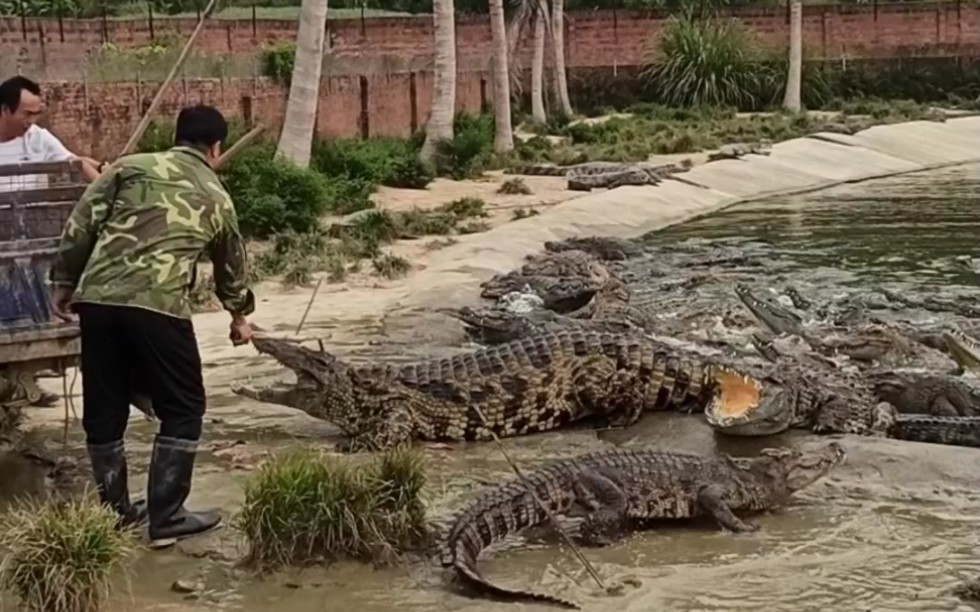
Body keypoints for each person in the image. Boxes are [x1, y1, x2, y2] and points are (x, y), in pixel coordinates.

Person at [47, 104, 255, 548]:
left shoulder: (130, 167)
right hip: (159, 306)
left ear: (178, 135)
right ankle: (167, 516)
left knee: (105, 406)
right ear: (215, 147)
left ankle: (116, 513)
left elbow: (81, 224)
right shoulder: (216, 195)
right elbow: (231, 266)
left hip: (99, 302)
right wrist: (239, 316)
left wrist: (64, 281)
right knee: (184, 407)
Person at [0, 75, 103, 190]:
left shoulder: (37, 138)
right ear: (5, 110)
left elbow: (75, 163)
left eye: (36, 114)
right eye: (27, 114)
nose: (31, 121)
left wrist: (106, 191)